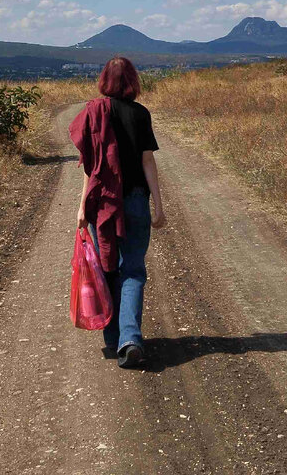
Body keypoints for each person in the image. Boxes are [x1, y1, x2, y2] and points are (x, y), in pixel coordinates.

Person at [69, 56, 166, 368]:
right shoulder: (140, 114)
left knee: (108, 268)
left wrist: (83, 205)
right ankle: (129, 338)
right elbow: (147, 161)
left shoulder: (92, 113)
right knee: (133, 269)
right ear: (132, 82)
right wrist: (158, 206)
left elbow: (90, 168)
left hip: (102, 204)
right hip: (136, 200)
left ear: (104, 80)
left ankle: (114, 341)